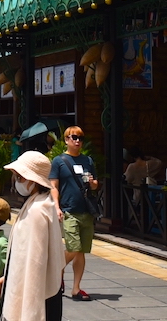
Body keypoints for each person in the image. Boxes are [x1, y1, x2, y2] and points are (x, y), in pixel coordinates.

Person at [0, 151, 65, 321]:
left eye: (20, 178)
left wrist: (30, 312)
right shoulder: (40, 203)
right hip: (39, 291)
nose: (17, 182)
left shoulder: (37, 210)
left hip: (37, 296)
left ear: (34, 181)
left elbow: (35, 265)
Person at [48, 125, 99, 301]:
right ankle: (57, 268)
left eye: (80, 138)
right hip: (69, 210)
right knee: (74, 247)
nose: (77, 141)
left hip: (86, 211)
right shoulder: (59, 161)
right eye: (74, 137)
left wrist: (93, 183)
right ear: (66, 140)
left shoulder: (88, 161)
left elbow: (95, 184)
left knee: (81, 251)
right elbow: (53, 186)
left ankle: (76, 288)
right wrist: (56, 206)